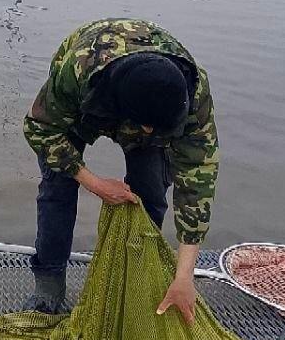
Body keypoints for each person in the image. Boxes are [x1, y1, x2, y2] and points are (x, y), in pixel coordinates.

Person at [23, 18, 219, 322]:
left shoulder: (193, 95)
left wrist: (184, 276)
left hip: (150, 106)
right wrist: (95, 184)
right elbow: (40, 129)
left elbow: (198, 182)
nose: (148, 131)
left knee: (150, 194)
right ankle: (49, 286)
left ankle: (133, 281)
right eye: (146, 127)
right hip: (90, 102)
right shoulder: (78, 71)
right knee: (57, 190)